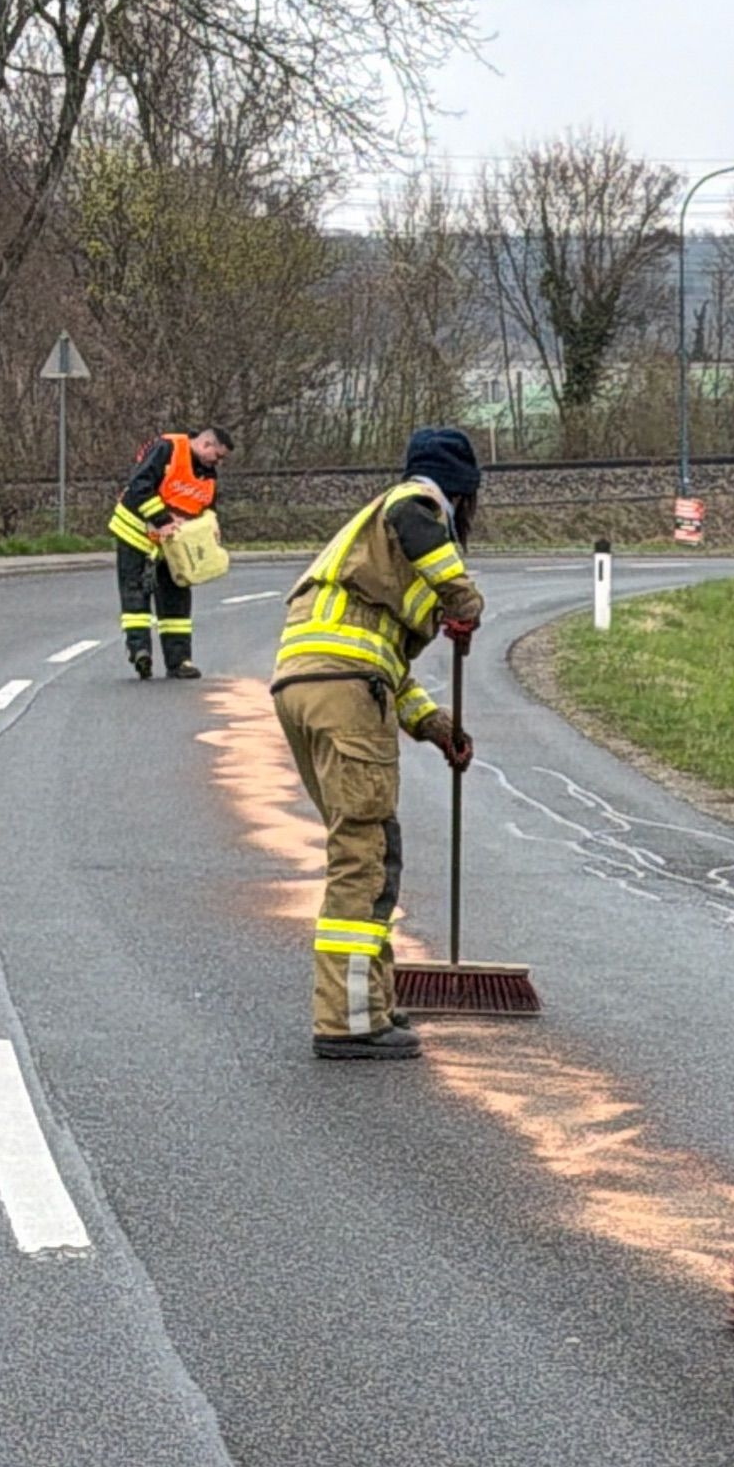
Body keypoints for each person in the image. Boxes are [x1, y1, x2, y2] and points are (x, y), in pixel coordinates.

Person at [270, 428, 485, 1060]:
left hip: (308, 687)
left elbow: (382, 664)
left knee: (361, 843)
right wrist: (461, 595)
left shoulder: (374, 547)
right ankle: (347, 1020)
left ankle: (370, 998)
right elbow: (413, 512)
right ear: (460, 493)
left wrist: (432, 725)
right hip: (343, 690)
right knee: (364, 852)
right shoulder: (414, 506)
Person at [111, 425, 234, 679]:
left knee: (176, 599)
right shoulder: (167, 449)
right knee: (135, 594)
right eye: (218, 456)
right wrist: (162, 519)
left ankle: (179, 662)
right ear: (205, 445)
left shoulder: (208, 473)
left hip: (173, 544)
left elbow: (207, 506)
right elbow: (140, 485)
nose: (218, 462)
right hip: (136, 533)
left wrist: (211, 527)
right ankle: (140, 651)